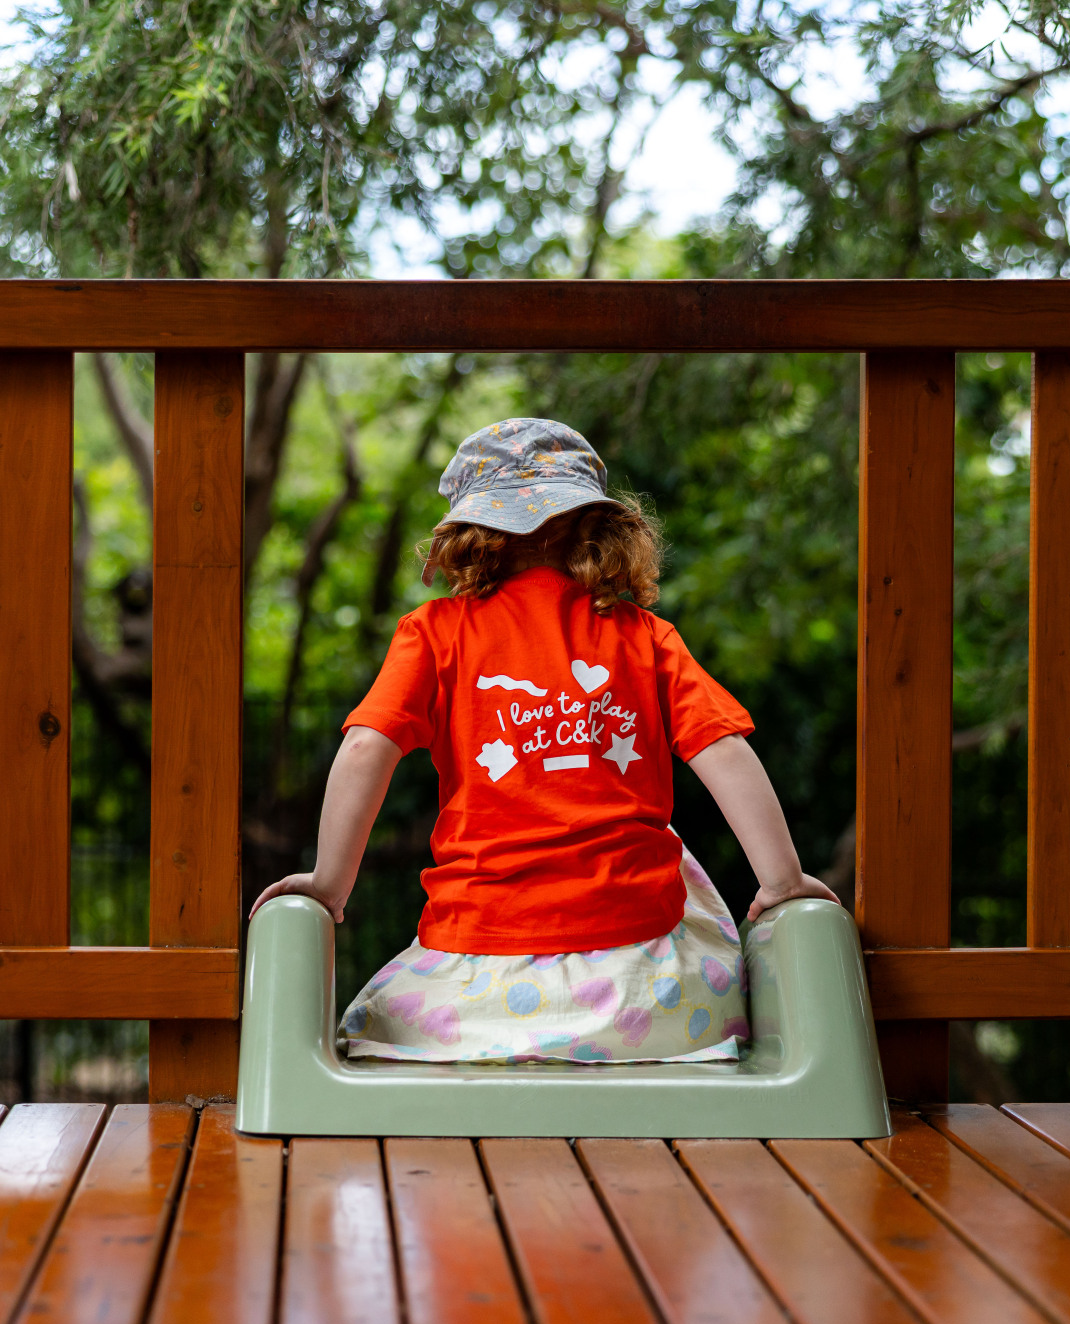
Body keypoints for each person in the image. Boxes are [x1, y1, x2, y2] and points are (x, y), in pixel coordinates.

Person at [250, 418, 840, 1063]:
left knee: (373, 1034)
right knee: (694, 905)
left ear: (472, 533)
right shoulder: (644, 635)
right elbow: (722, 747)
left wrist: (331, 884)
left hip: (480, 988)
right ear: (598, 526)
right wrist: (781, 880)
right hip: (649, 996)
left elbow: (366, 747)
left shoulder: (437, 633)